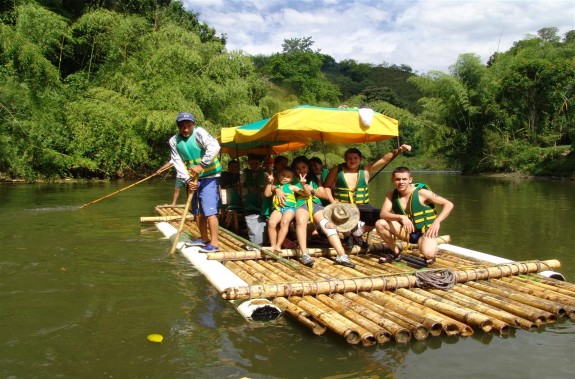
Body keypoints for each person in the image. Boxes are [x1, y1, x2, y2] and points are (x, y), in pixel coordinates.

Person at [276, 156, 355, 268]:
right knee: (301, 220)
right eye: (298, 168)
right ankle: (304, 254)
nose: (301, 170)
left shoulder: (314, 180)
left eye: (303, 167)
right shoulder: (291, 179)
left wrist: (312, 189)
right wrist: (278, 189)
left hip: (316, 204)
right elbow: (278, 185)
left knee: (327, 224)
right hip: (300, 205)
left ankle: (341, 255)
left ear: (308, 168)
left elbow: (325, 195)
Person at [323, 144, 412, 244]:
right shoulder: (336, 170)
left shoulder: (366, 169)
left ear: (360, 159)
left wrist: (399, 150)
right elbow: (326, 187)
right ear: (345, 159)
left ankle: (357, 234)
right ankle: (348, 236)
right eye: (349, 158)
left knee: (382, 216)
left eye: (355, 158)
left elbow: (384, 160)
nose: (352, 161)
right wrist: (333, 202)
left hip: (363, 206)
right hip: (343, 206)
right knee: (335, 219)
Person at [375, 166, 454, 266]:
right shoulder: (391, 194)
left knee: (428, 253)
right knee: (380, 223)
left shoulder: (422, 193)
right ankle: (395, 252)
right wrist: (401, 217)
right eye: (398, 179)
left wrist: (437, 222)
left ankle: (429, 247)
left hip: (426, 232)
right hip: (407, 232)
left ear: (410, 180)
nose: (401, 182)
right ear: (392, 180)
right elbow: (383, 214)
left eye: (404, 179)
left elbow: (448, 204)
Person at [169, 112, 222, 253]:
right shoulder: (174, 141)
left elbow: (215, 147)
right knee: (197, 211)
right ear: (178, 127)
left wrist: (202, 165)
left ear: (193, 124)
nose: (185, 129)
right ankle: (204, 238)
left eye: (188, 126)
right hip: (192, 178)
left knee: (209, 210)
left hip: (210, 175)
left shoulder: (199, 133)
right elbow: (177, 162)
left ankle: (214, 244)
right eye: (182, 126)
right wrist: (187, 180)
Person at [264, 167, 310, 252]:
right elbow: (267, 194)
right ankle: (273, 245)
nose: (285, 178)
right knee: (271, 222)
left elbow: (307, 194)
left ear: (292, 179)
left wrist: (303, 184)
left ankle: (278, 246)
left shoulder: (292, 187)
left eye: (288, 177)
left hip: (290, 208)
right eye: (283, 175)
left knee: (285, 222)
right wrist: (269, 182)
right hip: (278, 208)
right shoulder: (275, 187)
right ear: (278, 175)